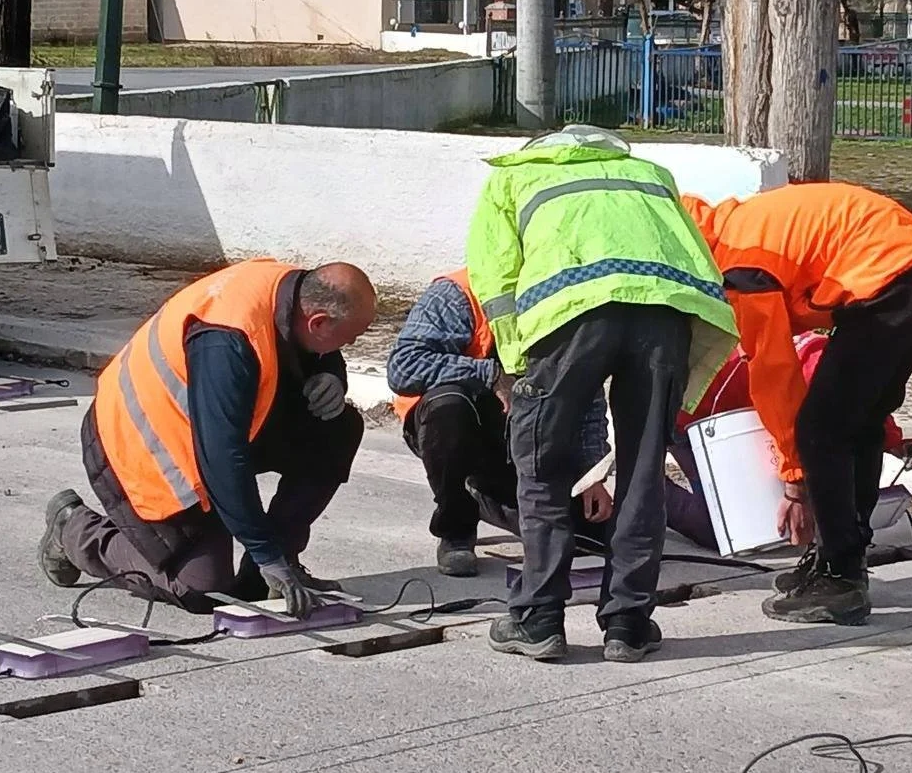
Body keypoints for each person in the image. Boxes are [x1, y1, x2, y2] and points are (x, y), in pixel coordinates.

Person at [466, 124, 739, 663]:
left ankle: (538, 617)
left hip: (570, 316)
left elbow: (495, 277)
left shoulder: (512, 179)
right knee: (642, 471)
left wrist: (519, 362)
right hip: (663, 317)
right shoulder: (648, 174)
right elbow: (689, 254)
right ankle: (629, 624)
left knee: (542, 464)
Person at [37, 259, 376, 618]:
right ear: (318, 322)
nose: (349, 344)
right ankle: (73, 530)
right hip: (139, 445)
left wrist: (330, 374)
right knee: (201, 589)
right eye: (349, 338)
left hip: (205, 430)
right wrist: (264, 551)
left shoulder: (294, 292)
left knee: (338, 427)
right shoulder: (225, 342)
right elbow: (222, 459)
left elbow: (312, 347)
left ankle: (271, 572)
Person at [682, 182, 912, 625]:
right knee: (856, 422)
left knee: (819, 430)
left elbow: (774, 374)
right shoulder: (734, 229)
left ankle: (839, 577)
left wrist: (794, 480)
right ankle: (840, 556)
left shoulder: (740, 267)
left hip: (892, 278)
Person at [386, 268, 614, 577]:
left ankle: (489, 499)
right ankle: (456, 528)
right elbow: (404, 367)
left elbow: (586, 391)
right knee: (449, 404)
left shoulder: (566, 299)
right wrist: (490, 375)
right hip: (456, 427)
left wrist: (591, 474)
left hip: (523, 434)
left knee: (593, 536)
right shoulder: (458, 294)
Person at [665, 330, 912, 551]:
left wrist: (894, 441)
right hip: (694, 418)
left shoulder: (847, 368)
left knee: (776, 518)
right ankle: (650, 489)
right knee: (722, 531)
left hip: (748, 419)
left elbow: (868, 407)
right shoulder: (812, 375)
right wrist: (795, 491)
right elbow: (789, 434)